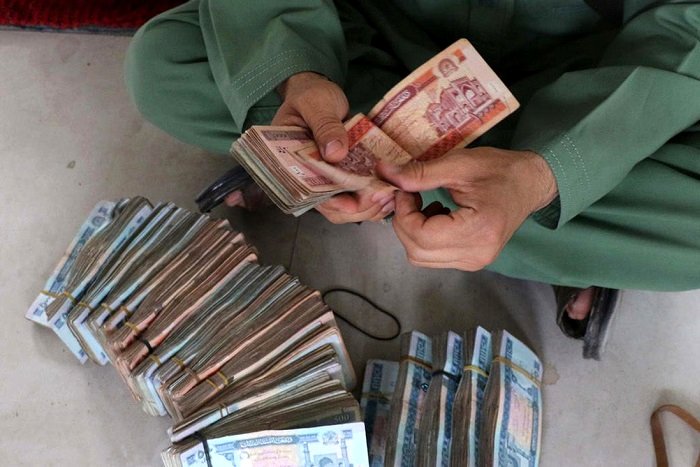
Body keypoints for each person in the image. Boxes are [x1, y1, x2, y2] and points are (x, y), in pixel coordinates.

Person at [124, 0, 700, 358]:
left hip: (594, 72)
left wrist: (549, 171)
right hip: (379, 34)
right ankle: (544, 228)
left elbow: (683, 25)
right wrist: (297, 74)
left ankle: (376, 179)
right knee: (166, 63)